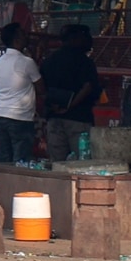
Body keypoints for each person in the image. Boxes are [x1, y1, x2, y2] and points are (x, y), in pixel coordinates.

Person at [40, 24, 101, 161]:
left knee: (57, 163)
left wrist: (53, 105)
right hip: (78, 118)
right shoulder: (84, 62)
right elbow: (88, 87)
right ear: (75, 38)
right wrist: (70, 106)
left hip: (54, 118)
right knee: (82, 162)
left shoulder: (49, 60)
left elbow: (41, 87)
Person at [0, 23, 42, 164]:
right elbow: (41, 87)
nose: (27, 37)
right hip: (21, 117)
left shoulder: (1, 61)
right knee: (21, 159)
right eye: (23, 34)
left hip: (2, 114)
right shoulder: (26, 62)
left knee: (4, 155)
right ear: (17, 40)